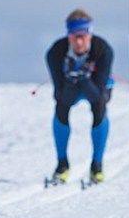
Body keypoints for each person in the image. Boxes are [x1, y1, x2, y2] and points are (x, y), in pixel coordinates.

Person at [45, 9, 113, 184]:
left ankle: (96, 165)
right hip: (69, 88)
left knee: (99, 107)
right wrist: (72, 79)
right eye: (75, 36)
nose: (79, 41)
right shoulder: (55, 52)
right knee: (61, 107)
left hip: (94, 87)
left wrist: (83, 78)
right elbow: (59, 93)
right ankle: (62, 165)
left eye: (83, 35)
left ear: (90, 34)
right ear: (69, 35)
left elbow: (98, 93)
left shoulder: (103, 50)